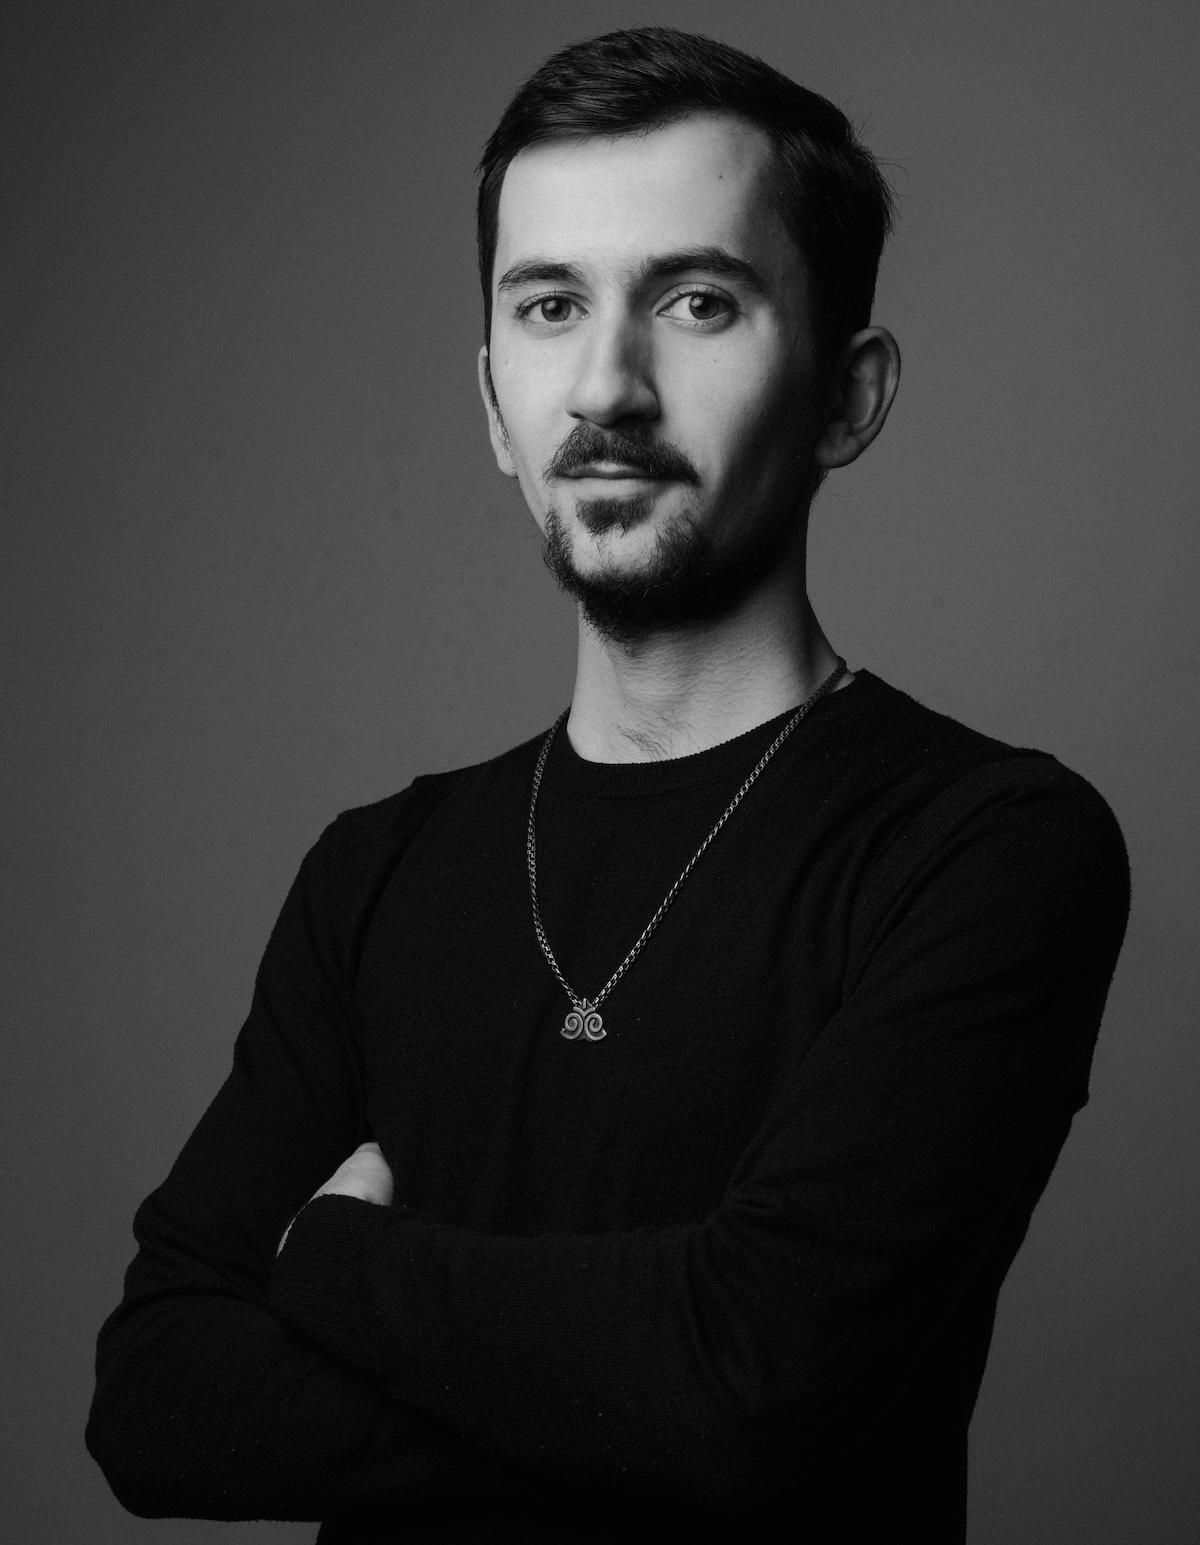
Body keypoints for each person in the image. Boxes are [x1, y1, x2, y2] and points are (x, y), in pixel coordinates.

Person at [86, 26, 1130, 1544]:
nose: (607, 385)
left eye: (697, 301)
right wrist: (642, 1408)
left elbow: (750, 1388)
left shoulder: (986, 847)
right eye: (550, 305)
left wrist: (329, 1263)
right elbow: (157, 1399)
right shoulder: (375, 871)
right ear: (493, 403)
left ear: (847, 398)